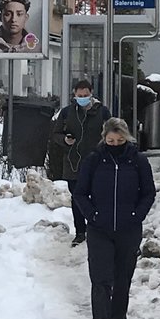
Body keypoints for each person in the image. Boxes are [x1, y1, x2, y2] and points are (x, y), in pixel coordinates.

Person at [72, 117, 156, 319]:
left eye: (120, 140)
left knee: (122, 279)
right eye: (111, 140)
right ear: (104, 138)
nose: (115, 143)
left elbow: (148, 193)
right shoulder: (94, 161)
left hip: (128, 230)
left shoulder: (138, 161)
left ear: (127, 138)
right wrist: (93, 216)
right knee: (100, 280)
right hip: (100, 230)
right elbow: (80, 193)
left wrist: (136, 216)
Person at [49, 79, 112, 246]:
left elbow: (112, 132)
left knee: (97, 196)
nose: (83, 98)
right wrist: (65, 140)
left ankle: (97, 228)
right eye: (80, 95)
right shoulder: (67, 112)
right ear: (74, 95)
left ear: (91, 94)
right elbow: (56, 134)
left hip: (97, 162)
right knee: (77, 198)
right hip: (73, 163)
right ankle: (80, 231)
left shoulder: (102, 112)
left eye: (86, 95)